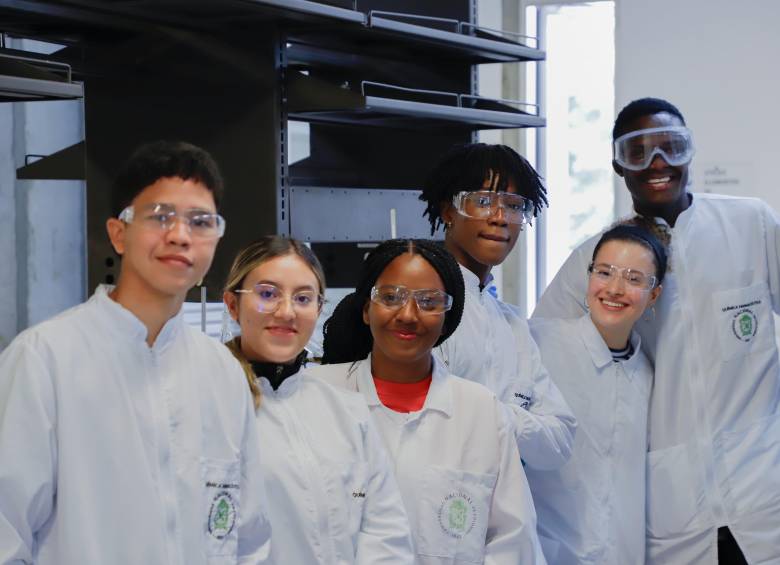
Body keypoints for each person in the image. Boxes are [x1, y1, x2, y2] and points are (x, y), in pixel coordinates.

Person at [0, 141, 272, 564]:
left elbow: (249, 538)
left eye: (201, 221)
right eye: (160, 216)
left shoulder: (220, 371)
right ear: (118, 233)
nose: (180, 235)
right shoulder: (45, 359)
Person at [534, 97, 780, 564]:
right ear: (617, 166)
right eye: (638, 152)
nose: (658, 163)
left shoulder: (750, 224)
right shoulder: (596, 261)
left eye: (671, 147)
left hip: (765, 491)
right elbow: (540, 354)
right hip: (672, 510)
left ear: (691, 152)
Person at [309, 239, 547, 565]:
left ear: (448, 317)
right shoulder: (317, 397)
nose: (408, 315)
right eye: (391, 298)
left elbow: (513, 542)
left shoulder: (481, 411)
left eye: (429, 301)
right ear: (366, 309)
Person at [222, 235, 415, 564]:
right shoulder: (212, 406)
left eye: (302, 298)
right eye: (267, 294)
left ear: (319, 308)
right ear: (232, 304)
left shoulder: (346, 411)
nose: (286, 312)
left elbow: (386, 533)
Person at [418, 143, 576, 470]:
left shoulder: (511, 323)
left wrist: (489, 414)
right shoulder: (421, 304)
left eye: (515, 205)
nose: (500, 218)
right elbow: (428, 427)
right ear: (449, 211)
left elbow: (559, 442)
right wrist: (516, 417)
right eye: (484, 201)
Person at [527, 222, 666, 565]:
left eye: (634, 279)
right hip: (549, 552)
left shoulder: (647, 374)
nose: (615, 289)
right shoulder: (538, 344)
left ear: (654, 295)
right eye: (605, 273)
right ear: (588, 277)